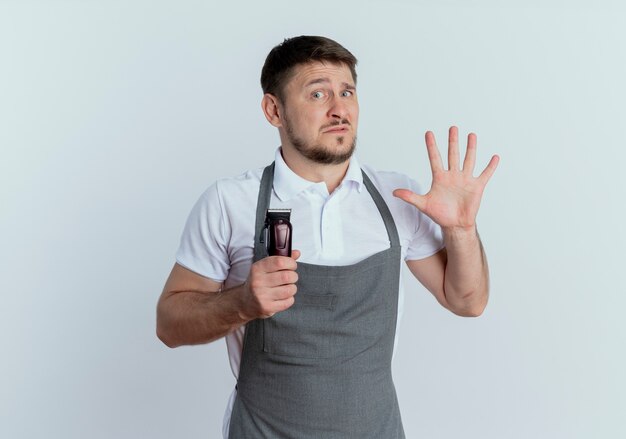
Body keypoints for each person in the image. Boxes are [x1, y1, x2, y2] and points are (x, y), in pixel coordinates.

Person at [156, 35, 499, 438]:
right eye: (318, 94)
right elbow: (169, 324)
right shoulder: (230, 201)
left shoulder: (399, 197)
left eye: (347, 92)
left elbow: (468, 301)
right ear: (273, 110)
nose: (339, 110)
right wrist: (242, 303)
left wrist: (461, 231)